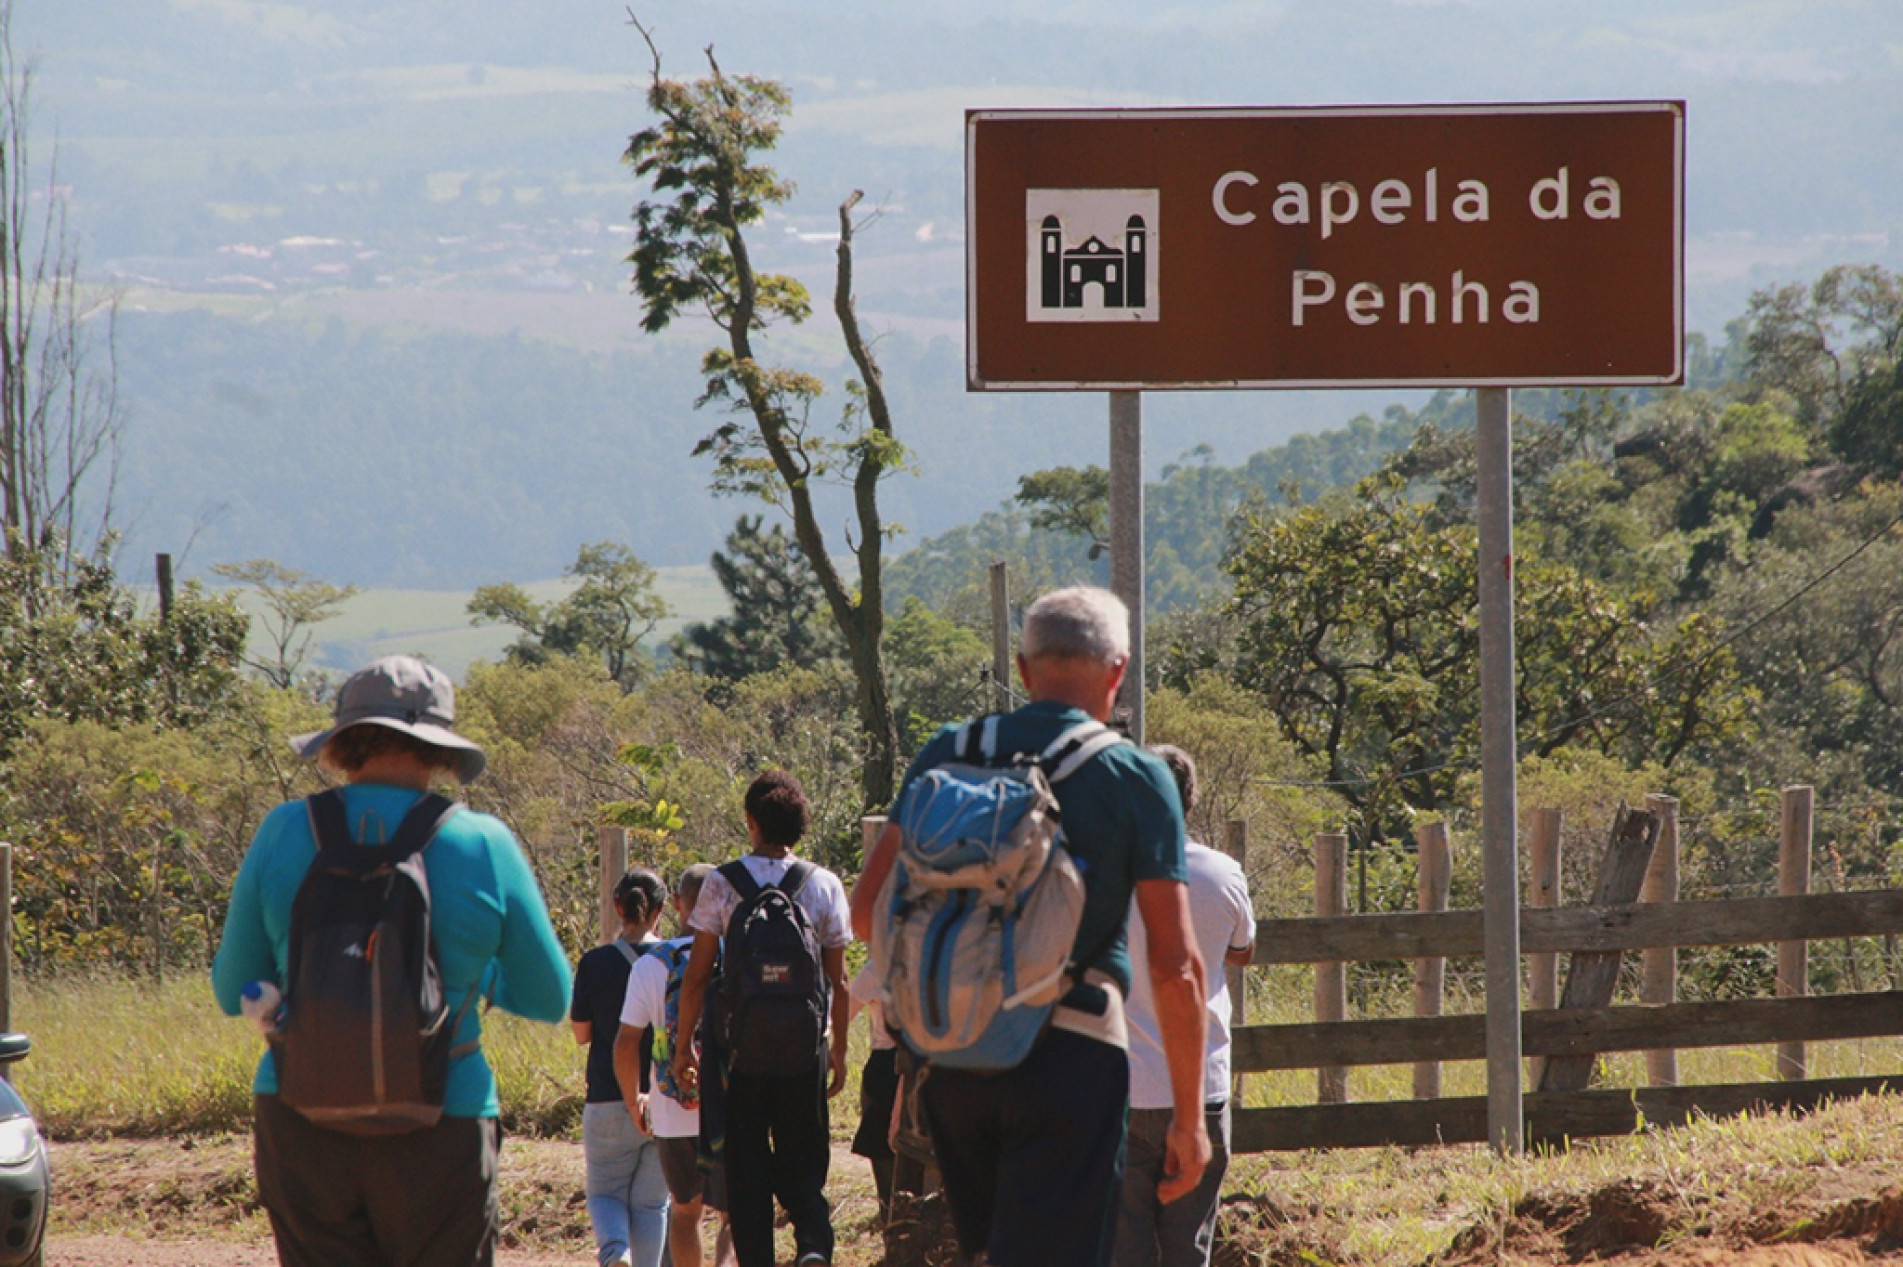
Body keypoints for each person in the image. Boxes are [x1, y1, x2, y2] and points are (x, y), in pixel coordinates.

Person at [851, 586, 1212, 1267]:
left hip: (954, 1055)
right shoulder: (1134, 775)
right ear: (1118, 669)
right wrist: (1189, 1120)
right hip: (1070, 1056)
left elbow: (864, 907)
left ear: (1022, 669)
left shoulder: (947, 750)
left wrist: (920, 1008)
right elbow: (1175, 965)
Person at [212, 654, 571, 1267]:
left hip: (300, 1113)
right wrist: (473, 972)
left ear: (343, 741)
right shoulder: (484, 844)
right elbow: (550, 997)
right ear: (439, 747)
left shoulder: (282, 831)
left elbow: (231, 988)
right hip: (443, 1117)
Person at [671, 771, 853, 1267]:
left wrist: (683, 1044)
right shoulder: (825, 885)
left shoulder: (721, 883)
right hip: (803, 1050)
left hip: (739, 1054)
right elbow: (838, 983)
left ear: (751, 821)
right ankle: (813, 1248)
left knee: (746, 1170)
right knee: (805, 1162)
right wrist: (837, 1050)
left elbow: (697, 976)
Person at [1115, 745, 1257, 1267]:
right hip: (1201, 1091)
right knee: (1189, 1247)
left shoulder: (1099, 880)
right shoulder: (1223, 873)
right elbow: (1242, 950)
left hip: (1119, 1093)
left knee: (1121, 1250)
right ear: (1190, 802)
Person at [616, 863, 736, 1267]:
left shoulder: (650, 964)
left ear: (679, 903)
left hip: (672, 1108)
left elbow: (626, 1042)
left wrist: (635, 1100)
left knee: (685, 1214)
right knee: (733, 1215)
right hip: (729, 1106)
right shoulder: (735, 960)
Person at [572, 867, 671, 1267]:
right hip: (665, 1101)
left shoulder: (594, 963)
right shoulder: (676, 960)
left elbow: (581, 1034)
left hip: (609, 1098)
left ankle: (616, 1252)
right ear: (660, 911)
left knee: (605, 1193)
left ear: (617, 908)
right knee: (651, 1205)